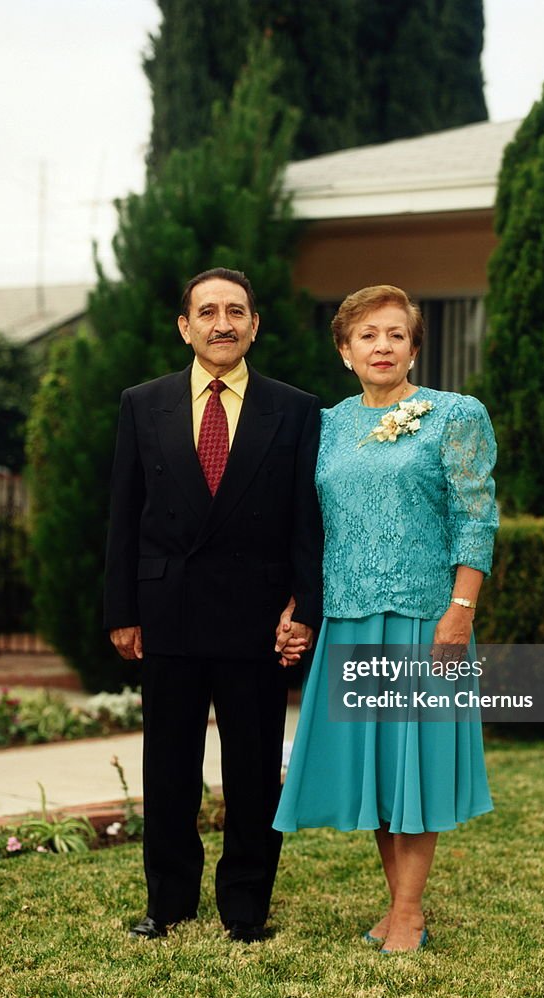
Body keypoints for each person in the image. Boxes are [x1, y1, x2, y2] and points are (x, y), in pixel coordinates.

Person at [273, 284, 498, 952]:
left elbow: (476, 517)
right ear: (345, 350)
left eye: (396, 334)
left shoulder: (454, 415)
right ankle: (395, 904)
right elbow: (309, 527)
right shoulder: (328, 426)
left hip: (424, 618)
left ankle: (410, 911)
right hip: (348, 617)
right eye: (367, 334)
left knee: (416, 765)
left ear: (413, 348)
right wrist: (299, 605)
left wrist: (460, 611)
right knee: (377, 769)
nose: (382, 345)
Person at [104, 267, 322, 942]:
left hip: (257, 617)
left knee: (254, 768)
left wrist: (306, 608)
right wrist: (121, 610)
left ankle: (246, 906)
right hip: (167, 609)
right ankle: (167, 901)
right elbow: (122, 514)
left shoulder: (296, 409)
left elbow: (309, 524)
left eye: (236, 311)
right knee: (168, 765)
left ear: (254, 324)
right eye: (208, 311)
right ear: (185, 326)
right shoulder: (144, 404)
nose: (222, 323)